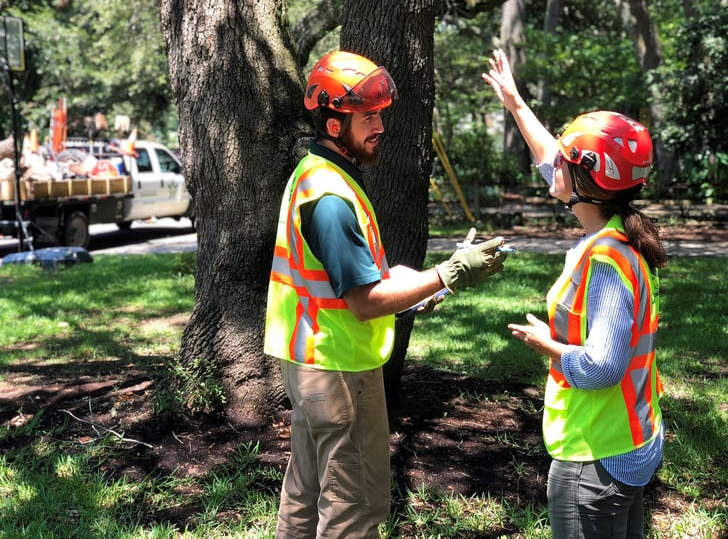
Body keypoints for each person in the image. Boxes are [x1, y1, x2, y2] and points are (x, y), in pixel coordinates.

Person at [264, 50, 510, 538]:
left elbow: (367, 276)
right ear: (335, 125)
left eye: (381, 114)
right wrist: (448, 273)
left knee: (306, 496)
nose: (380, 126)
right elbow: (364, 301)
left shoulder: (318, 176)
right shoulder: (331, 198)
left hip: (311, 360)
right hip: (340, 368)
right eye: (368, 117)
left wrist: (417, 288)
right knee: (352, 508)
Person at [483, 48, 667, 538]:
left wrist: (547, 345)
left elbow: (604, 367)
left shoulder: (606, 260)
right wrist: (516, 104)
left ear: (586, 179)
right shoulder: (617, 231)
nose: (551, 165)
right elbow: (555, 164)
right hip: (628, 438)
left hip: (596, 454)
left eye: (566, 159)